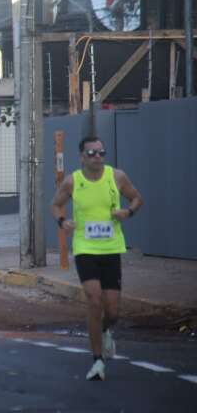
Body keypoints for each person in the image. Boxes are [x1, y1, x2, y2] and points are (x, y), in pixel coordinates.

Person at [51, 136, 143, 381]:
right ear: (82, 156)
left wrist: (128, 212)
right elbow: (56, 205)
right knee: (94, 300)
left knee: (113, 310)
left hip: (112, 248)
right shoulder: (73, 181)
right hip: (85, 248)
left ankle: (105, 330)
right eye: (91, 153)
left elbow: (137, 198)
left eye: (101, 152)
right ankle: (97, 361)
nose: (97, 157)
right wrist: (63, 221)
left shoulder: (117, 177)